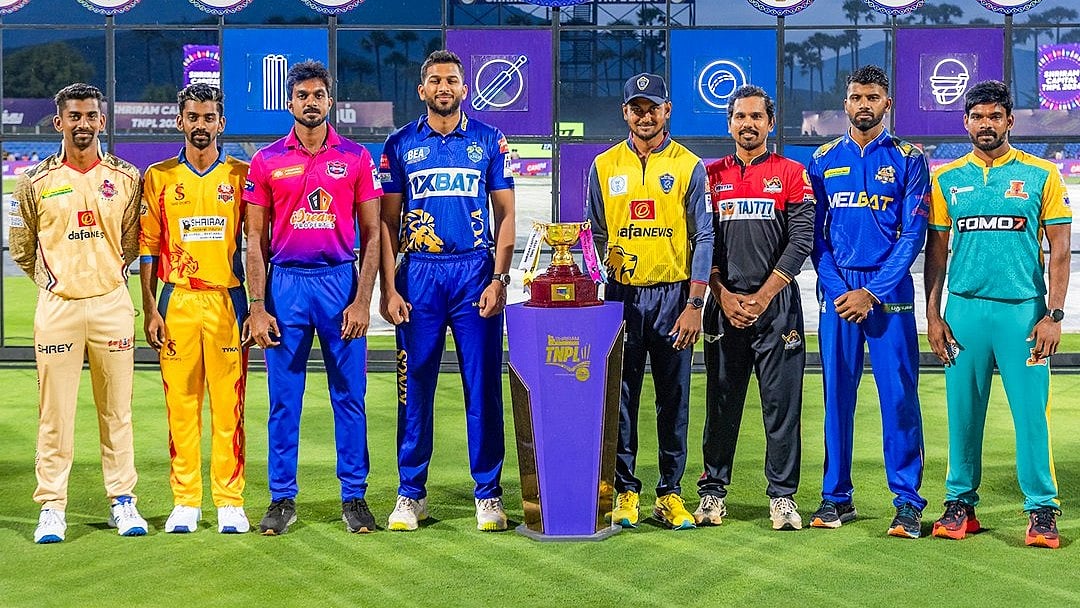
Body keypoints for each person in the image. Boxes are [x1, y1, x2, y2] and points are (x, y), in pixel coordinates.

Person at [925, 80, 1070, 549]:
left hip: (1023, 316)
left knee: (1031, 416)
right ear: (965, 121)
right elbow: (937, 255)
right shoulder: (945, 178)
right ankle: (959, 504)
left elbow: (1061, 250)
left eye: (995, 116)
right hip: (964, 312)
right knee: (962, 414)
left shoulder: (1042, 174)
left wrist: (1054, 314)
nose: (986, 124)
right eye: (977, 116)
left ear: (1010, 120)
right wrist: (933, 314)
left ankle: (1042, 509)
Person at [243, 61, 383, 535]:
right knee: (284, 400)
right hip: (286, 287)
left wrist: (363, 301)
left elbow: (373, 235)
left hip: (339, 283)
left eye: (318, 95)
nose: (310, 102)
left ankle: (355, 497)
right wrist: (258, 307)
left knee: (351, 397)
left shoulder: (358, 157)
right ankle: (281, 499)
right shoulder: (265, 161)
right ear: (290, 102)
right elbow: (255, 241)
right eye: (302, 95)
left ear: (330, 102)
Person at [379, 50, 515, 532]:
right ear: (422, 90)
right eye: (435, 80)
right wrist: (389, 288)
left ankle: (488, 493)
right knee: (413, 386)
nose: (444, 87)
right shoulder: (398, 144)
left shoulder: (488, 140)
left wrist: (499, 279)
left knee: (483, 388)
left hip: (474, 275)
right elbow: (387, 223)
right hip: (420, 276)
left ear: (464, 89)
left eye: (452, 80)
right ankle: (410, 493)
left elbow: (505, 215)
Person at [10, 83, 147, 543]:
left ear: (102, 121)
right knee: (55, 413)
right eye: (74, 116)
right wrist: (54, 282)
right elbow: (22, 247)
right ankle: (52, 505)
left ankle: (122, 501)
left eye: (91, 115)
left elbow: (132, 241)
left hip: (111, 304)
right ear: (59, 122)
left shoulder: (127, 176)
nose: (83, 124)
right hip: (59, 308)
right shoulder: (34, 180)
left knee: (118, 411)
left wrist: (107, 275)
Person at [807, 65, 929, 538]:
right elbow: (816, 239)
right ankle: (837, 498)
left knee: (898, 398)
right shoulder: (822, 159)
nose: (863, 105)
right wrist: (841, 291)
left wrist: (872, 291)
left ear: (887, 104)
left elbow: (913, 233)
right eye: (856, 97)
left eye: (872, 97)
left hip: (888, 293)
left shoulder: (908, 158)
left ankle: (907, 502)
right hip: (838, 296)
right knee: (837, 398)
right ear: (846, 103)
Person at [587, 72, 714, 530]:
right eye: (636, 108)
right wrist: (597, 290)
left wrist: (695, 304)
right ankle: (625, 491)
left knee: (673, 398)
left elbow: (704, 236)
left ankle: (670, 492)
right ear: (625, 112)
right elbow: (594, 235)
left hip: (674, 296)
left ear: (667, 111)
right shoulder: (603, 165)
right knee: (619, 397)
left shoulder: (688, 165)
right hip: (621, 297)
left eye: (653, 107)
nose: (645, 115)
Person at [696, 85, 814, 531]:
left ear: (769, 122)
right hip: (723, 305)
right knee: (721, 402)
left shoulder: (791, 173)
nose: (748, 124)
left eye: (756, 117)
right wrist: (722, 294)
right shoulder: (708, 176)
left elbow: (801, 240)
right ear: (729, 124)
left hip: (777, 307)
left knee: (781, 406)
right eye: (740, 117)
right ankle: (712, 492)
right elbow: (702, 242)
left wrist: (762, 297)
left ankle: (782, 498)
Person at [139, 83, 250, 535]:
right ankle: (185, 501)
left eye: (209, 118)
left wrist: (255, 307)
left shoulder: (241, 174)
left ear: (221, 123)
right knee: (181, 406)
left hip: (227, 300)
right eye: (193, 117)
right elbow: (148, 246)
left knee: (229, 407)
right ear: (180, 121)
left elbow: (257, 245)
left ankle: (230, 501)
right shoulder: (159, 175)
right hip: (177, 301)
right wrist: (149, 307)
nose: (200, 125)